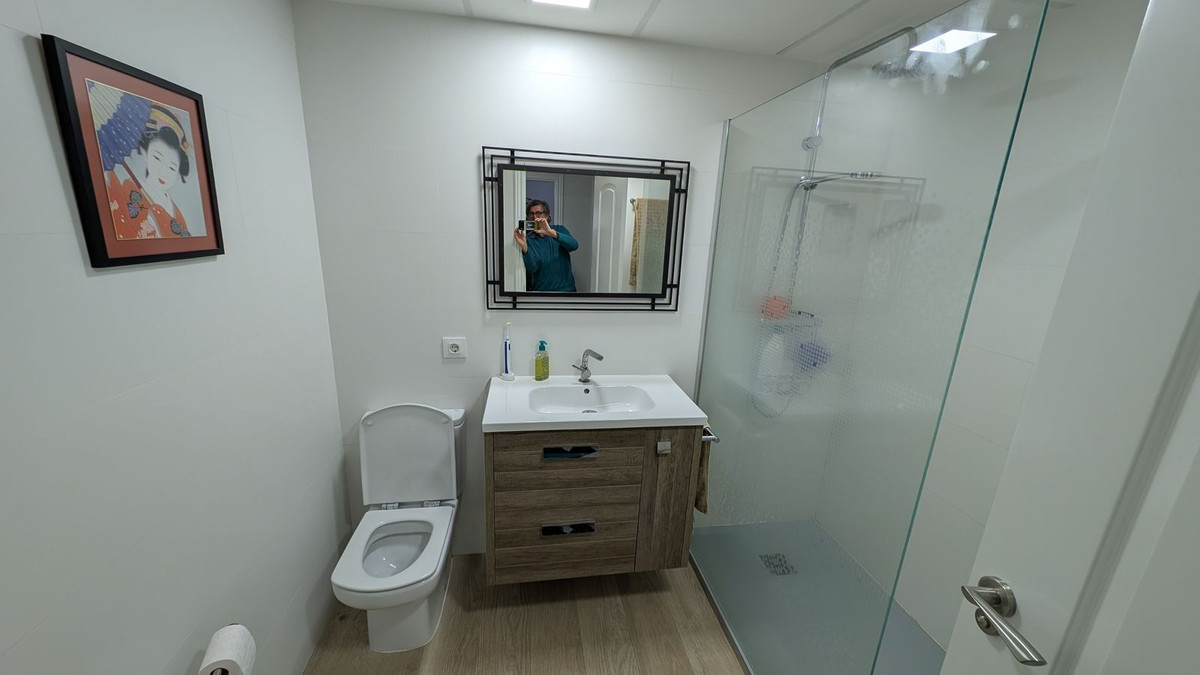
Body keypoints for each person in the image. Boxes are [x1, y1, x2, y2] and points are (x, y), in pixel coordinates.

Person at [104, 104, 192, 239]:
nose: (163, 172)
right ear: (146, 153)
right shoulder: (128, 191)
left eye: (172, 168)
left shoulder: (177, 213)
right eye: (157, 158)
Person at [514, 200, 579, 292]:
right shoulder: (528, 239)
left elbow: (574, 246)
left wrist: (551, 233)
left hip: (566, 290)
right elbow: (533, 268)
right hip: (541, 291)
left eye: (538, 213)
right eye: (531, 214)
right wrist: (525, 248)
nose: (534, 217)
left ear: (547, 216)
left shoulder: (559, 230)